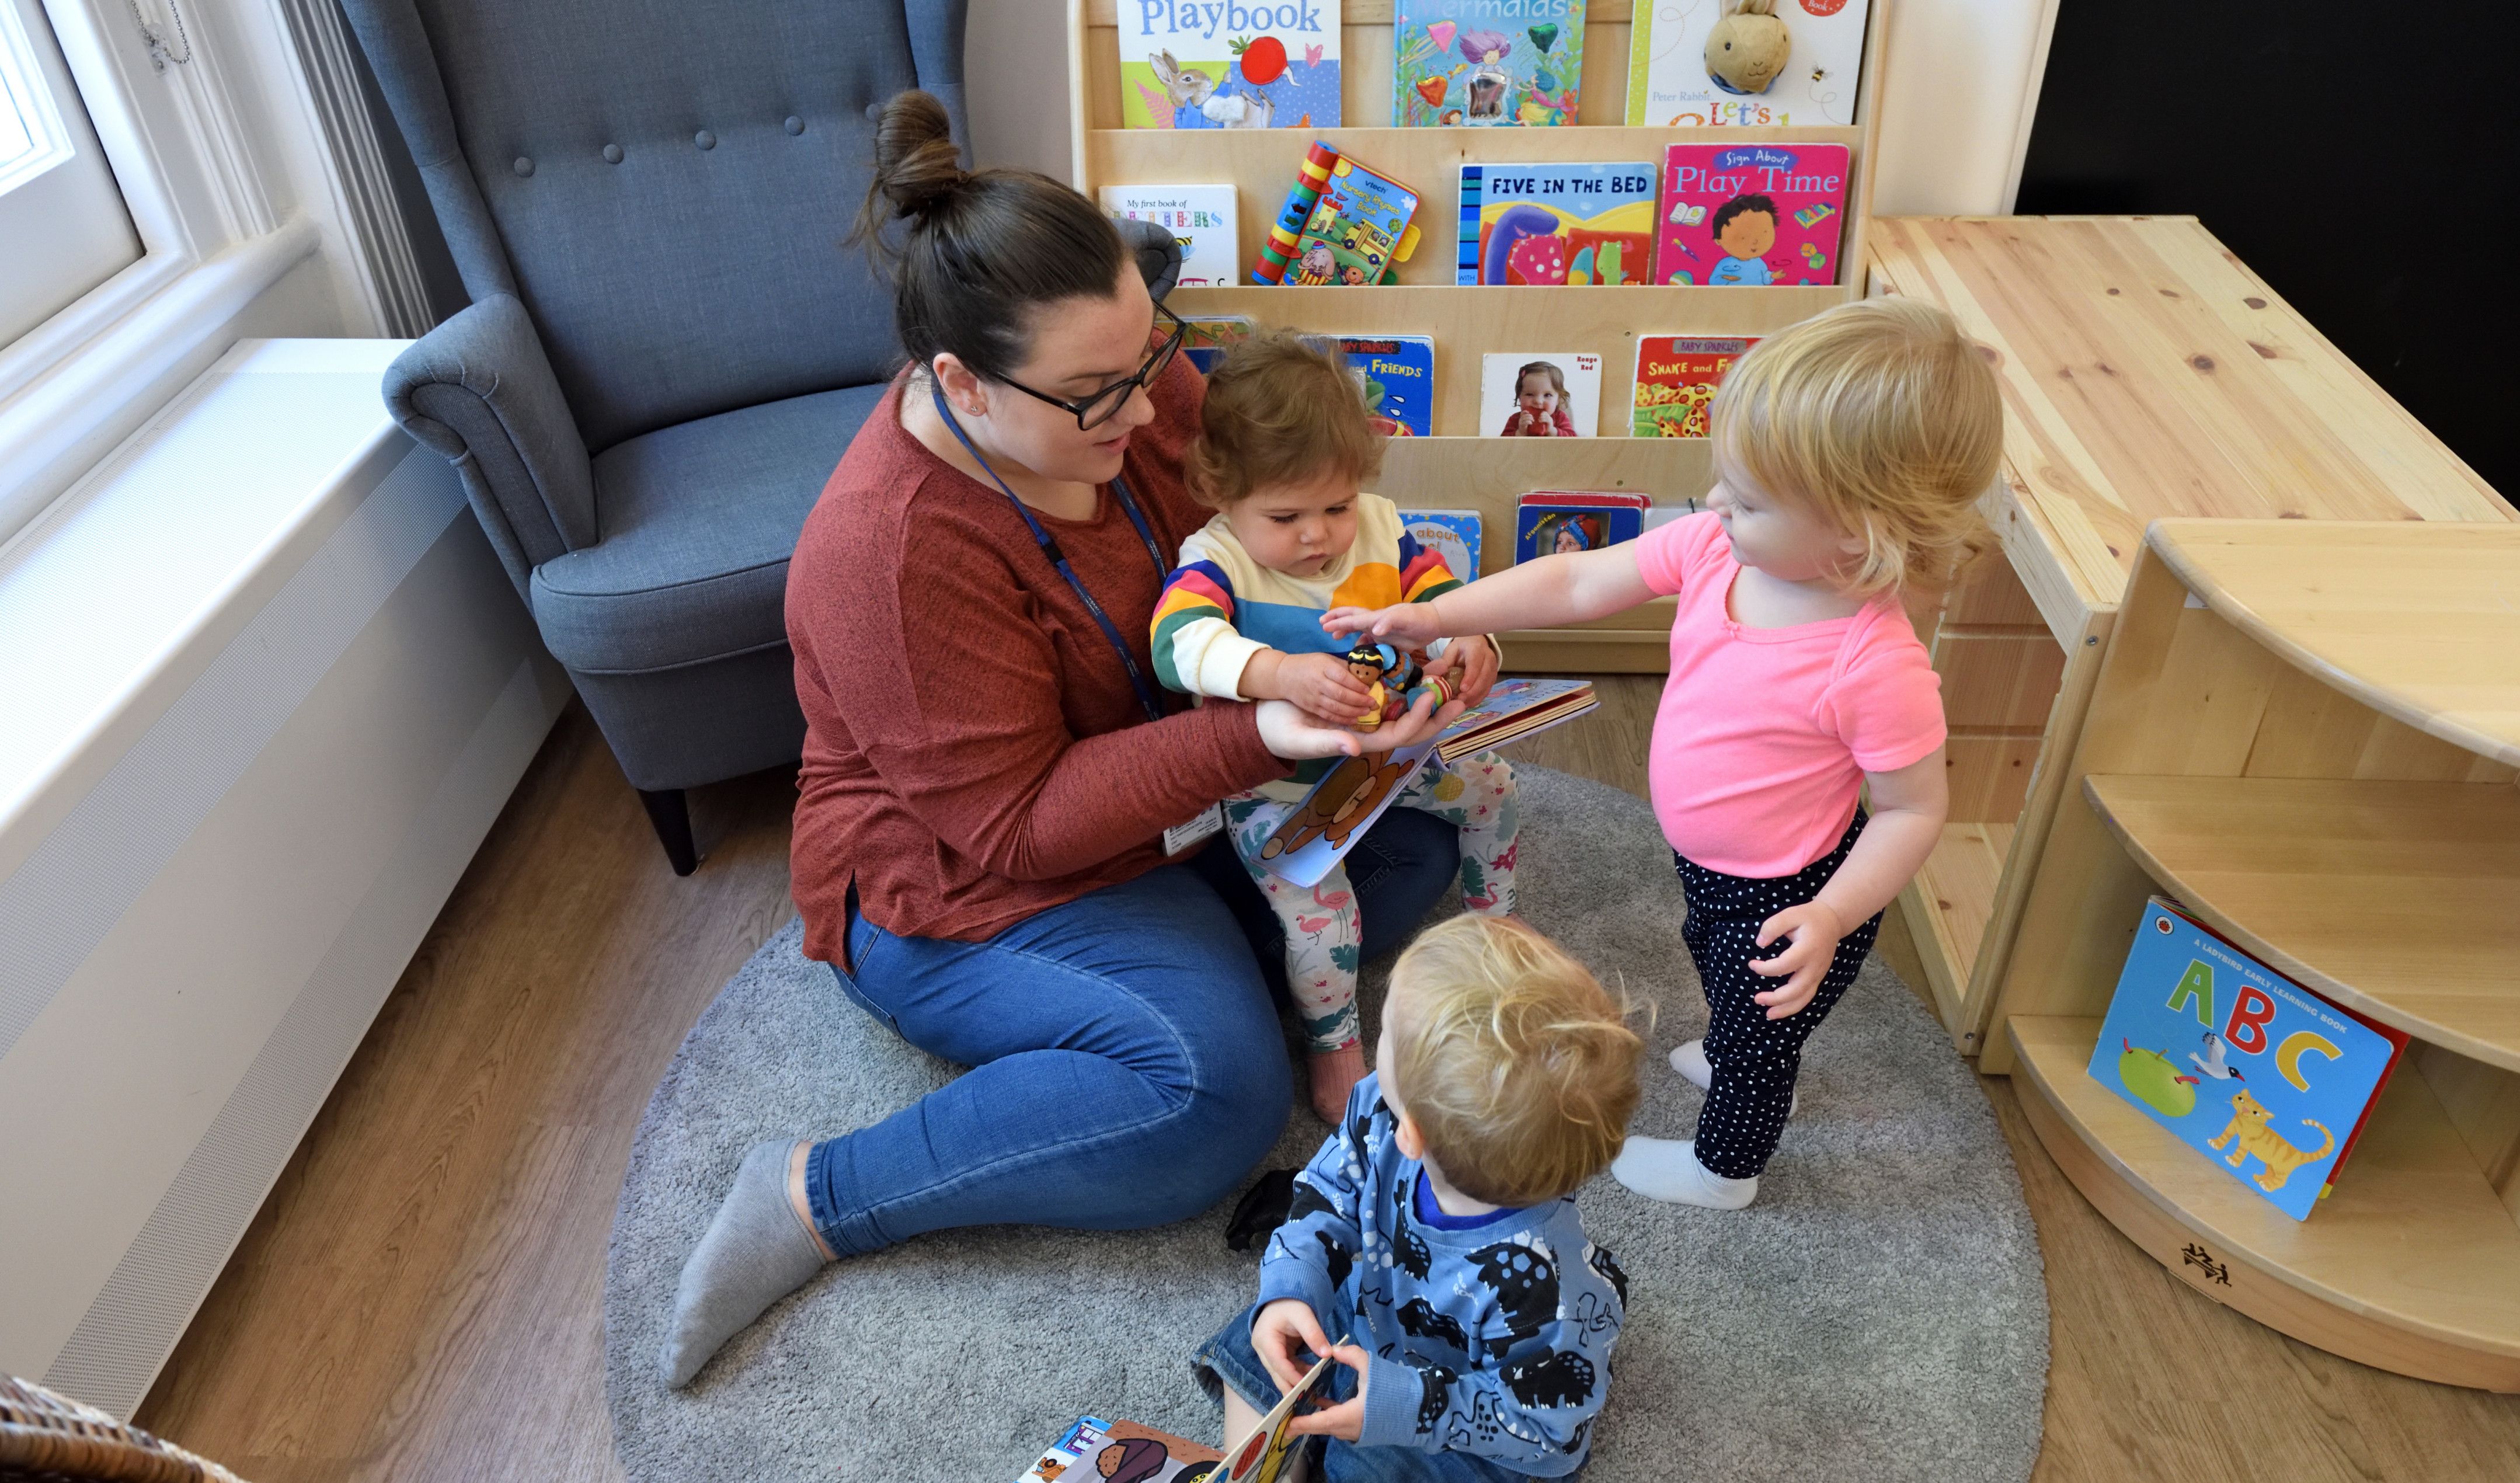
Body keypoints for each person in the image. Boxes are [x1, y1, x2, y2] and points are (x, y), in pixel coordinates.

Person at [657, 92, 1480, 1388]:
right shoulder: (889, 554)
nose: (1153, 418)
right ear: (960, 386)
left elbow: (1278, 538)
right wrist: (1266, 723)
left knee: (1409, 849)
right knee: (1213, 1104)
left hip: (1165, 797)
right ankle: (822, 1192)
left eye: (1156, 359)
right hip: (966, 882)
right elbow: (1017, 823)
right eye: (1102, 395)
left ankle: (1203, 983)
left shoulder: (1131, 388)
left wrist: (1406, 642)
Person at [1330, 297, 2002, 1209]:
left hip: (1790, 892)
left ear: (1860, 528)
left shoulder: (1875, 665)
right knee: (1723, 978)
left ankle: (1725, 1167)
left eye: (1752, 498)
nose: (1717, 502)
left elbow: (1914, 809)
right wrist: (1442, 614)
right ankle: (1740, 1044)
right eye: (1723, 479)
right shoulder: (1720, 551)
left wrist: (1835, 915)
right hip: (1713, 862)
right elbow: (1575, 578)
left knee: (1764, 1031)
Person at [1151, 332, 1516, 1123]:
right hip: (1278, 792)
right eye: (1285, 515)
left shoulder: (1382, 525)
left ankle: (1497, 933)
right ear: (1221, 492)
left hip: (1393, 760)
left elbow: (1442, 591)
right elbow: (1176, 646)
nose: (1317, 534)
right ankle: (1333, 1041)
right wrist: (1276, 674)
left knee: (1495, 786)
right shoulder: (1217, 557)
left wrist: (1469, 636)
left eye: (1336, 506)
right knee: (1324, 921)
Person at [1192, 914, 1641, 1481]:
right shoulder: (1381, 1109)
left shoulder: (1551, 1292)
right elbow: (1326, 1192)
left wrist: (1405, 1406)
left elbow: (1548, 1430)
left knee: (1370, 1467)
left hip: (1465, 1422)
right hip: (1372, 1322)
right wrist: (1293, 1287)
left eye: (1383, 1032)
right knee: (1267, 1331)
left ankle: (1312, 1452)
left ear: (1415, 1135)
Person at [1705, 194, 1778, 286]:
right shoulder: (1725, 264)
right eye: (1743, 237)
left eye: (1764, 232)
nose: (1755, 241)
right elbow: (1713, 282)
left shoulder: (1759, 262)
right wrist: (1725, 278)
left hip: (1757, 298)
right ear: (1718, 240)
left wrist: (1772, 276)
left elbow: (1764, 278)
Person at [1496, 361, 1575, 437]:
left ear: (1558, 399)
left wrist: (1552, 431)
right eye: (1530, 394)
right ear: (1520, 397)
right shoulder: (1516, 419)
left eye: (1547, 395)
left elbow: (1574, 441)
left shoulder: (1560, 418)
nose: (1538, 401)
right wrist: (1520, 433)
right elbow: (1502, 445)